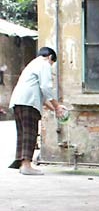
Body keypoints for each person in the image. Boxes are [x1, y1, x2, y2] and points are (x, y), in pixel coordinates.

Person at [8, 46, 66, 175]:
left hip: (19, 101)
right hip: (29, 102)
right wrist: (57, 106)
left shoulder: (32, 64)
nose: (51, 66)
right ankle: (26, 165)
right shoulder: (44, 64)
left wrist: (55, 109)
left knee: (23, 133)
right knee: (30, 133)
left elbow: (41, 94)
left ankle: (22, 162)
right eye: (52, 63)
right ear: (50, 57)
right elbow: (46, 87)